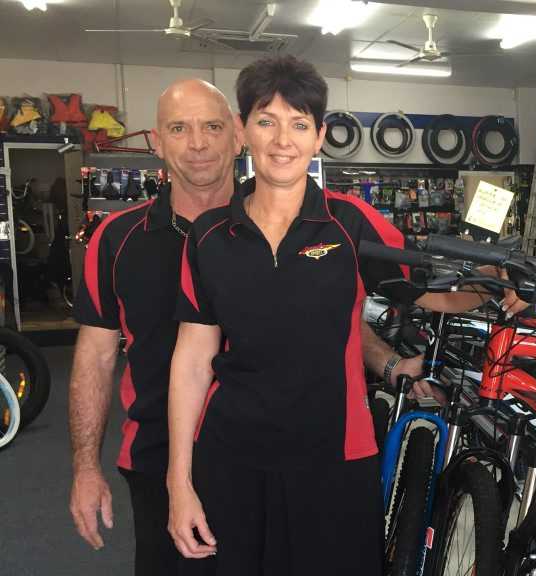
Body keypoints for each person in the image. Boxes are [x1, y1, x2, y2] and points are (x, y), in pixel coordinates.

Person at [167, 55, 521, 574]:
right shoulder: (210, 237)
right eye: (266, 121)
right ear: (243, 131)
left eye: (299, 124)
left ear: (319, 137)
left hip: (334, 457)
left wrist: (498, 283)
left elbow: (434, 293)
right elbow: (193, 359)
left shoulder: (350, 223)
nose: (282, 140)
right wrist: (180, 481)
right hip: (234, 457)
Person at [67, 78, 428, 576]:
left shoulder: (304, 218)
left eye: (211, 127)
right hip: (161, 457)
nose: (197, 144)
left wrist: (390, 363)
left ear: (234, 135)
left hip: (288, 453)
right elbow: (96, 356)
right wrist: (86, 468)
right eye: (179, 128)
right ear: (157, 139)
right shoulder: (117, 239)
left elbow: (327, 318)